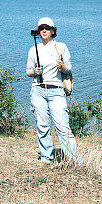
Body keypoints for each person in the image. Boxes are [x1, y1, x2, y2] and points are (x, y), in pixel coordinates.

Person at [26, 17, 81, 165]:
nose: (44, 30)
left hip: (56, 91)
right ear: (38, 31)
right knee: (42, 126)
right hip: (38, 90)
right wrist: (34, 72)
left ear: (52, 30)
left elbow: (69, 67)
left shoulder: (61, 47)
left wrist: (62, 66)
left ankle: (74, 161)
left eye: (47, 28)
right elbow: (28, 71)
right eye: (41, 28)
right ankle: (46, 158)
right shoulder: (34, 49)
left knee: (63, 127)